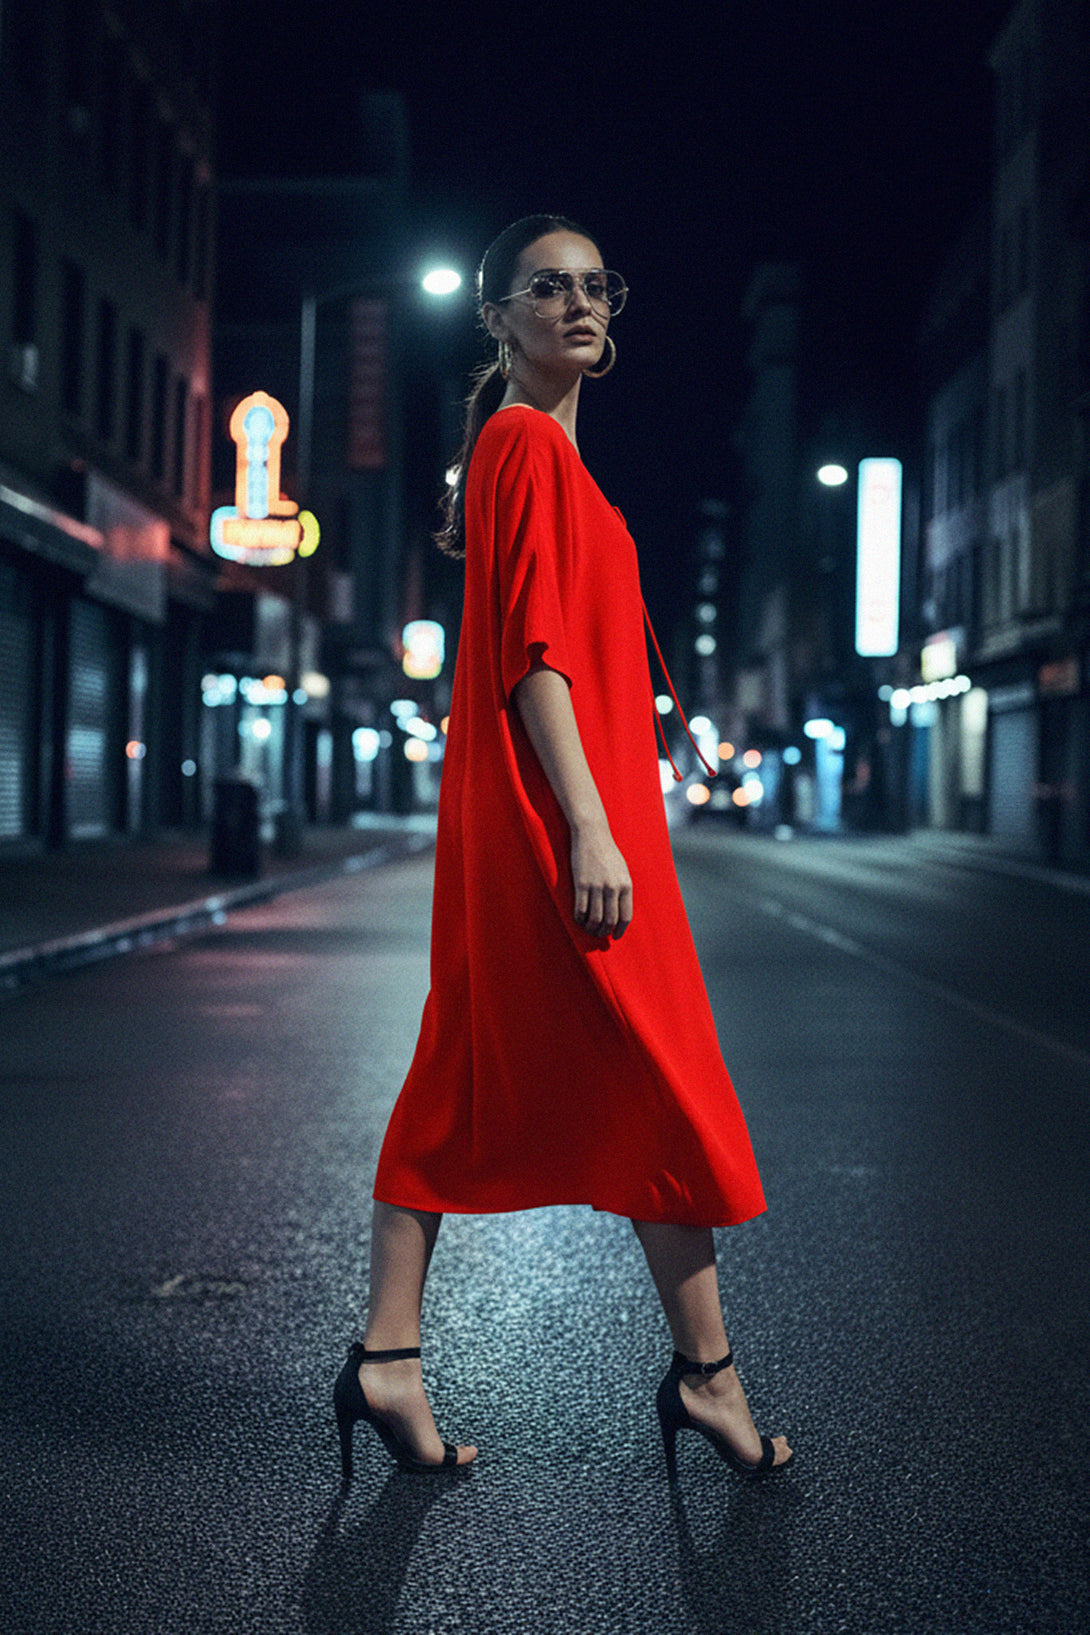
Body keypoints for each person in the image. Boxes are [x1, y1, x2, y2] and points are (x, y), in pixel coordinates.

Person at [333, 215, 792, 1482]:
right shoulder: (525, 441)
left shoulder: (540, 454)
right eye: (549, 287)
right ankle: (705, 1379)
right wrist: (588, 821)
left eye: (598, 287)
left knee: (469, 1065)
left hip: (555, 808)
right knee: (662, 1075)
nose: (581, 305)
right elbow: (538, 654)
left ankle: (388, 1357)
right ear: (498, 316)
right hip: (555, 819)